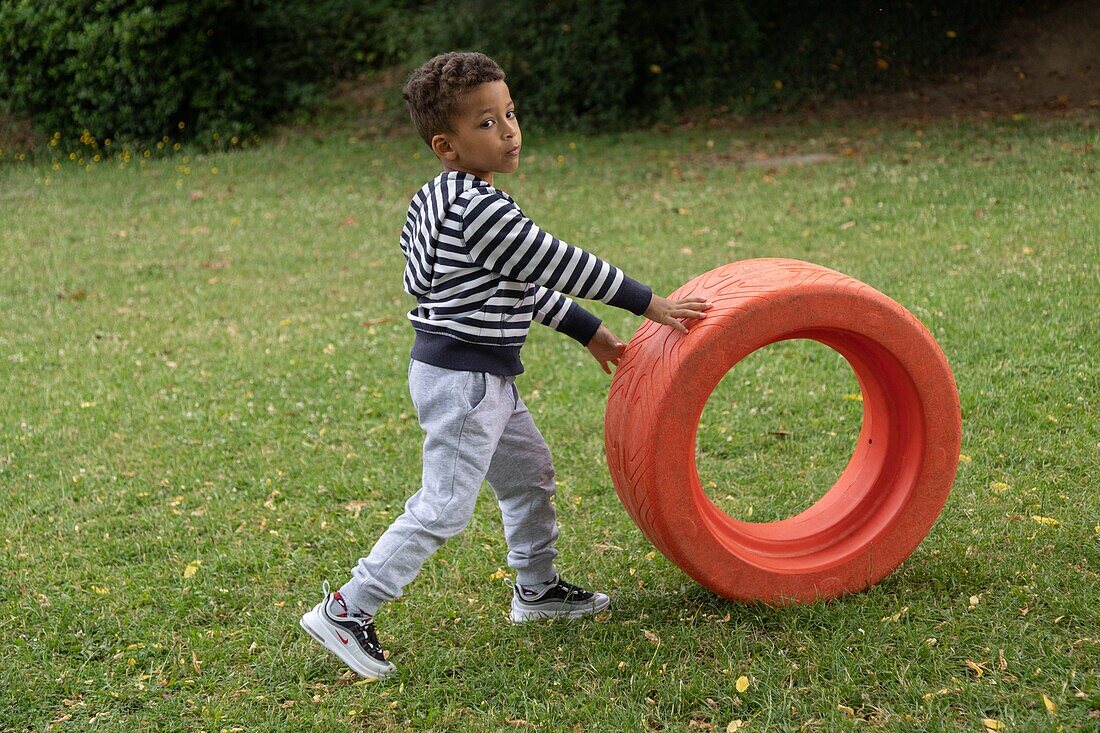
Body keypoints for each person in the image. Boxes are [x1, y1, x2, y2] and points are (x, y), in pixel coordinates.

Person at [299, 51, 710, 679]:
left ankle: (537, 592)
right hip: (465, 382)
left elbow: (516, 283)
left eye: (510, 113)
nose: (510, 130)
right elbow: (558, 263)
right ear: (447, 144)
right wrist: (649, 303)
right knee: (444, 507)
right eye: (487, 123)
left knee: (529, 477)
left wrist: (590, 332)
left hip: (479, 377)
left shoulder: (440, 200)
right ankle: (347, 609)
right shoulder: (481, 210)